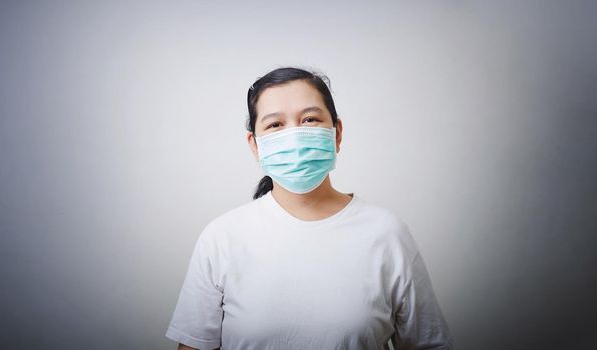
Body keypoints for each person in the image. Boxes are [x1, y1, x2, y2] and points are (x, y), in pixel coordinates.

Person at [165, 67, 454, 349]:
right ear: (255, 145)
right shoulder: (221, 238)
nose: (294, 136)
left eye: (310, 119)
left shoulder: (386, 233)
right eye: (275, 125)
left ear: (336, 133)